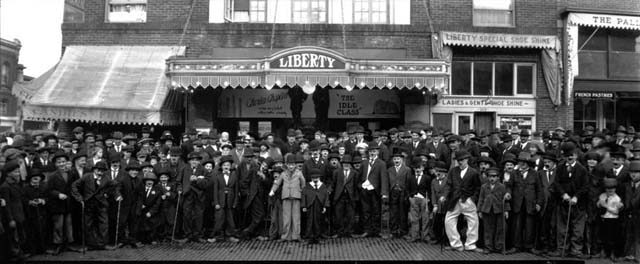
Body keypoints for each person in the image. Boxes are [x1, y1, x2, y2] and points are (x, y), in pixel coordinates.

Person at [549, 143, 589, 259]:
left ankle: (576, 250)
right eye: (567, 156)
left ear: (576, 155)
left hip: (578, 204)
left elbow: (585, 186)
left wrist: (577, 196)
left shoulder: (582, 169)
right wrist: (563, 194)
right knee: (562, 228)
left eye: (571, 155)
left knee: (578, 229)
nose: (569, 157)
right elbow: (556, 183)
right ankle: (562, 249)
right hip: (563, 203)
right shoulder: (560, 167)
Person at [71, 161, 121, 251]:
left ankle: (103, 244)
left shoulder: (106, 178)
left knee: (104, 224)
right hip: (88, 204)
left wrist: (116, 195)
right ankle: (90, 244)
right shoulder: (87, 177)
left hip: (101, 204)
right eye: (98, 170)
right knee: (88, 224)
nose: (100, 172)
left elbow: (116, 185)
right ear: (94, 169)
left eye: (102, 171)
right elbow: (74, 185)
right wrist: (79, 198)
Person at [443, 150, 482, 252]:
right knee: (448, 221)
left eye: (462, 160)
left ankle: (471, 245)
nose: (460, 162)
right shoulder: (453, 171)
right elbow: (448, 185)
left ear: (467, 160)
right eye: (458, 160)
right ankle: (456, 244)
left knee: (473, 221)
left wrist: (473, 199)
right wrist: (444, 195)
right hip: (455, 200)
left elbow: (478, 187)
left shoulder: (473, 172)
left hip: (468, 200)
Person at [506, 152, 543, 254]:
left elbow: (539, 190)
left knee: (529, 225)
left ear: (528, 163)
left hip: (530, 204)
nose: (522, 164)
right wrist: (508, 193)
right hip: (517, 203)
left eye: (524, 162)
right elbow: (509, 186)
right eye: (520, 162)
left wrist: (539, 203)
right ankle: (516, 246)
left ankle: (529, 246)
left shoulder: (535, 174)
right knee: (517, 225)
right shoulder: (514, 173)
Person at [47, 151, 79, 255]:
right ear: (55, 164)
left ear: (67, 162)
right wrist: (58, 194)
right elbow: (49, 190)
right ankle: (58, 244)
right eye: (59, 162)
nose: (61, 164)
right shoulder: (52, 176)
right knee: (58, 225)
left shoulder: (71, 173)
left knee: (69, 224)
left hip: (68, 204)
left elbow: (75, 186)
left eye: (63, 162)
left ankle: (69, 243)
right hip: (57, 205)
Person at [269, 154, 305, 242]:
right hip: (286, 197)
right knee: (286, 218)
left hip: (296, 197)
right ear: (286, 165)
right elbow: (277, 183)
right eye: (289, 164)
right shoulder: (283, 173)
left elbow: (303, 183)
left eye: (292, 164)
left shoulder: (299, 173)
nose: (291, 166)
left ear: (295, 165)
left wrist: (300, 191)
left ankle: (296, 236)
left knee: (296, 217)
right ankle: (285, 236)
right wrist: (272, 191)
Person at [357, 145, 388, 238]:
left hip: (375, 190)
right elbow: (359, 175)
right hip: (365, 190)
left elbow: (384, 178)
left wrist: (384, 193)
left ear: (377, 152)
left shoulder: (381, 163)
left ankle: (376, 230)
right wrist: (360, 186)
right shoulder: (364, 162)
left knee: (376, 211)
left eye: (374, 151)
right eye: (370, 151)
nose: (372, 153)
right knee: (365, 211)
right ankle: (367, 230)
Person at [177, 152, 208, 243]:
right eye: (192, 160)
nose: (194, 161)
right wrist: (179, 189)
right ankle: (188, 235)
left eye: (196, 160)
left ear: (199, 161)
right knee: (187, 215)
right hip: (187, 195)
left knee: (199, 216)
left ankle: (197, 235)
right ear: (189, 161)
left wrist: (197, 180)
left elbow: (206, 183)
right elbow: (178, 181)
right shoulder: (184, 169)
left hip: (199, 195)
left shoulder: (203, 170)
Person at [478, 167, 510, 254]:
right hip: (487, 210)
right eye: (490, 176)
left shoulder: (502, 186)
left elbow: (505, 200)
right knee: (488, 229)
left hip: (499, 210)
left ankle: (499, 247)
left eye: (494, 176)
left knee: (500, 229)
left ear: (498, 177)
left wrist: (506, 211)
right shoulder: (484, 187)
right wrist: (479, 210)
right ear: (487, 177)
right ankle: (488, 247)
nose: (492, 178)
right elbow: (481, 198)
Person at [0, 160, 26, 261]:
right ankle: (16, 255)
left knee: (20, 235)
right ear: (8, 174)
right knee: (14, 237)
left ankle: (20, 253)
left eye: (18, 171)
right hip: (13, 215)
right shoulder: (5, 187)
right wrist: (10, 219)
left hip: (19, 214)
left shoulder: (15, 184)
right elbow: (7, 205)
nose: (18, 173)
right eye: (15, 172)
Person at [211, 155, 240, 243]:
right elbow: (215, 190)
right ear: (221, 166)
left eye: (228, 165)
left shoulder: (234, 175)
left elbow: (236, 190)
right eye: (224, 165)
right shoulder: (218, 176)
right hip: (220, 200)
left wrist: (235, 202)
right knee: (219, 219)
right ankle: (218, 236)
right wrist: (216, 202)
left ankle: (230, 235)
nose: (226, 167)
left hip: (230, 201)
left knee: (230, 219)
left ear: (231, 166)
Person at [115, 163, 144, 248]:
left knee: (133, 224)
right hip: (124, 205)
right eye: (132, 170)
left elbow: (141, 195)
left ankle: (133, 241)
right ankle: (121, 240)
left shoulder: (139, 181)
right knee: (122, 223)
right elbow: (117, 189)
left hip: (134, 206)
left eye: (136, 171)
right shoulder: (123, 179)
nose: (134, 172)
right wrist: (118, 195)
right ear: (128, 171)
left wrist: (139, 206)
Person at [22, 169, 48, 256]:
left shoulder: (43, 187)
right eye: (35, 179)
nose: (37, 181)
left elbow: (47, 197)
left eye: (39, 179)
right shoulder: (25, 188)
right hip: (30, 214)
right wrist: (30, 202)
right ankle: (33, 250)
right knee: (32, 232)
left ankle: (42, 249)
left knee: (42, 230)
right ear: (30, 179)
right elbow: (23, 199)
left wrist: (42, 200)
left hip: (41, 213)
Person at [332, 154, 358, 238]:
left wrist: (355, 197)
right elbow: (334, 184)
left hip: (350, 197)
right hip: (339, 196)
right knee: (338, 215)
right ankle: (340, 231)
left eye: (348, 163)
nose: (346, 165)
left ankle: (349, 232)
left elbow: (356, 185)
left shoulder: (354, 173)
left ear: (350, 164)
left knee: (350, 215)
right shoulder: (336, 172)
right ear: (342, 164)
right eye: (344, 163)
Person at [406, 157, 431, 243]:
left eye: (419, 167)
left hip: (424, 199)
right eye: (415, 168)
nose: (417, 169)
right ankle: (414, 236)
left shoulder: (427, 178)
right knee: (414, 218)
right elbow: (407, 188)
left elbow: (429, 189)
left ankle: (425, 236)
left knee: (425, 218)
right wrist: (410, 197)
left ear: (423, 168)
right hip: (414, 199)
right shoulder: (411, 178)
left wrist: (428, 199)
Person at [301, 169, 330, 244]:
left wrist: (325, 206)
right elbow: (304, 195)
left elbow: (326, 196)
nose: (315, 179)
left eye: (316, 178)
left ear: (319, 177)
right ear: (311, 178)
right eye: (313, 178)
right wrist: (304, 206)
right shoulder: (307, 186)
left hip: (319, 205)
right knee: (309, 221)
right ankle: (309, 237)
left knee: (318, 221)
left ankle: (318, 237)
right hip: (310, 205)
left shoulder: (323, 186)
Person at [597, 178, 623, 261]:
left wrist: (606, 206)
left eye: (612, 188)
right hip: (603, 218)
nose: (610, 190)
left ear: (615, 189)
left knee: (612, 237)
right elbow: (598, 204)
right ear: (605, 188)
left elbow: (616, 212)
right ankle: (604, 251)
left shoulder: (617, 199)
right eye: (608, 188)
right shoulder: (602, 196)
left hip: (612, 219)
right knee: (603, 236)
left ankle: (613, 253)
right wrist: (599, 204)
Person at [387, 152, 411, 238]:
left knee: (403, 212)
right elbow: (387, 183)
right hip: (393, 193)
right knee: (393, 212)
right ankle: (393, 231)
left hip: (403, 193)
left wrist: (407, 194)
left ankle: (403, 231)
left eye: (398, 159)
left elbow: (408, 183)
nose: (396, 161)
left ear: (402, 160)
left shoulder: (407, 169)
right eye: (395, 159)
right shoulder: (390, 170)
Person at [137, 172, 162, 245]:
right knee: (140, 225)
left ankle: (151, 239)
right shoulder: (140, 189)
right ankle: (141, 239)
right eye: (148, 180)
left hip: (151, 212)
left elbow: (157, 204)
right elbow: (137, 199)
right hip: (141, 211)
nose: (149, 182)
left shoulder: (157, 191)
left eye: (151, 181)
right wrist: (140, 205)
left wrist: (151, 212)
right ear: (145, 181)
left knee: (151, 225)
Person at [156, 168, 177, 242]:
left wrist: (169, 194)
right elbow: (154, 196)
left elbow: (175, 195)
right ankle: (161, 237)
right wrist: (160, 197)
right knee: (161, 222)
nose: (163, 179)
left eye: (165, 177)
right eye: (162, 177)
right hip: (161, 207)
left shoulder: (172, 185)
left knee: (170, 222)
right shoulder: (157, 186)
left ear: (168, 178)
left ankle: (169, 236)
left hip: (170, 206)